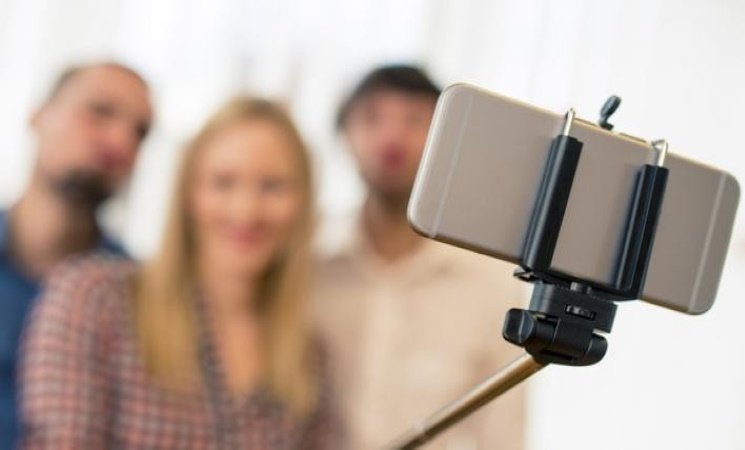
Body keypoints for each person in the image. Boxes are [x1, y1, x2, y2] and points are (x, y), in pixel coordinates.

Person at [20, 97, 343, 449]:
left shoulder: (308, 356)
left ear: (303, 203)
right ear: (189, 194)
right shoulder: (95, 299)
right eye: (223, 182)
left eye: (272, 186)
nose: (246, 210)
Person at [312, 65, 527, 449]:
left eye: (414, 119)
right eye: (372, 118)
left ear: (447, 139)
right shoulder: (308, 263)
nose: (391, 136)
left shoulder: (492, 280)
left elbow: (504, 431)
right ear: (344, 136)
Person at [0, 62, 153, 448]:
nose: (120, 141)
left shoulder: (137, 301)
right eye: (100, 112)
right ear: (38, 114)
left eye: (140, 132)